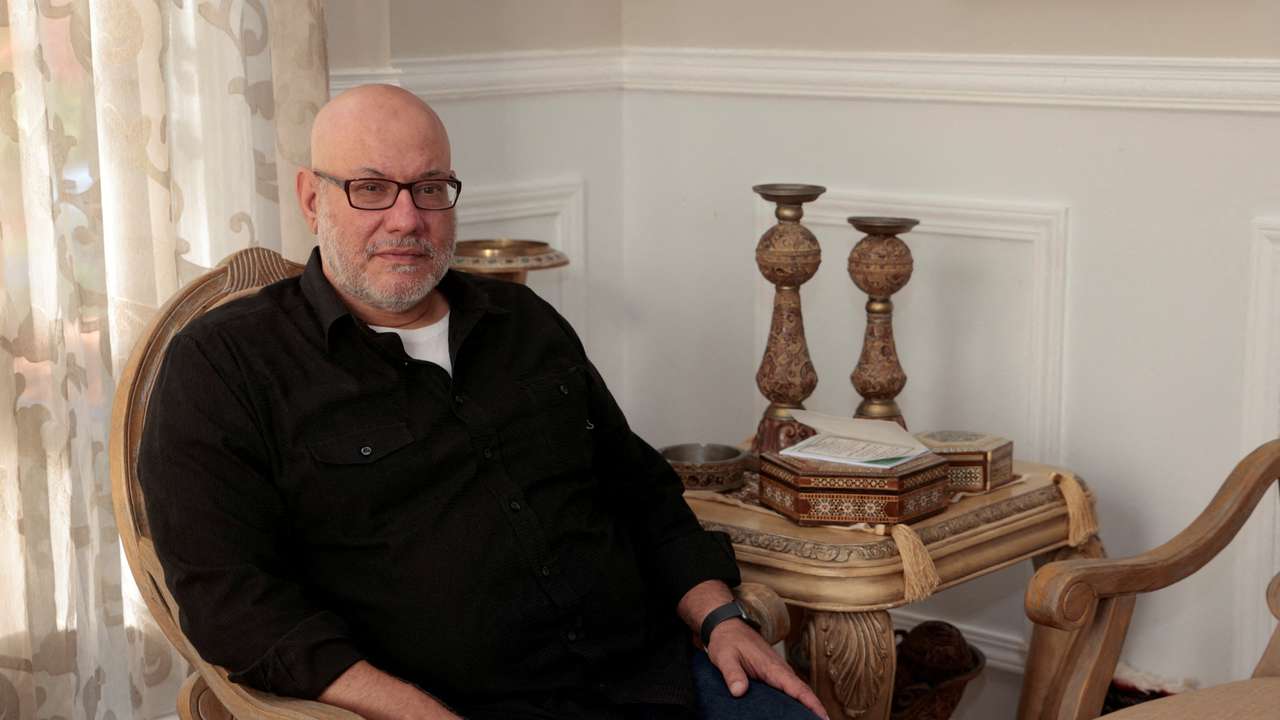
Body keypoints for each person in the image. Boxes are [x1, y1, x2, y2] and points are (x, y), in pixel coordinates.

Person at [138, 84, 828, 720]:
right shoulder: (224, 365)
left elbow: (640, 491)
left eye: (430, 188)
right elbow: (233, 604)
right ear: (312, 200)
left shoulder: (523, 322)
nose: (407, 219)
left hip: (651, 677)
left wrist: (721, 618)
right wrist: (414, 713)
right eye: (371, 189)